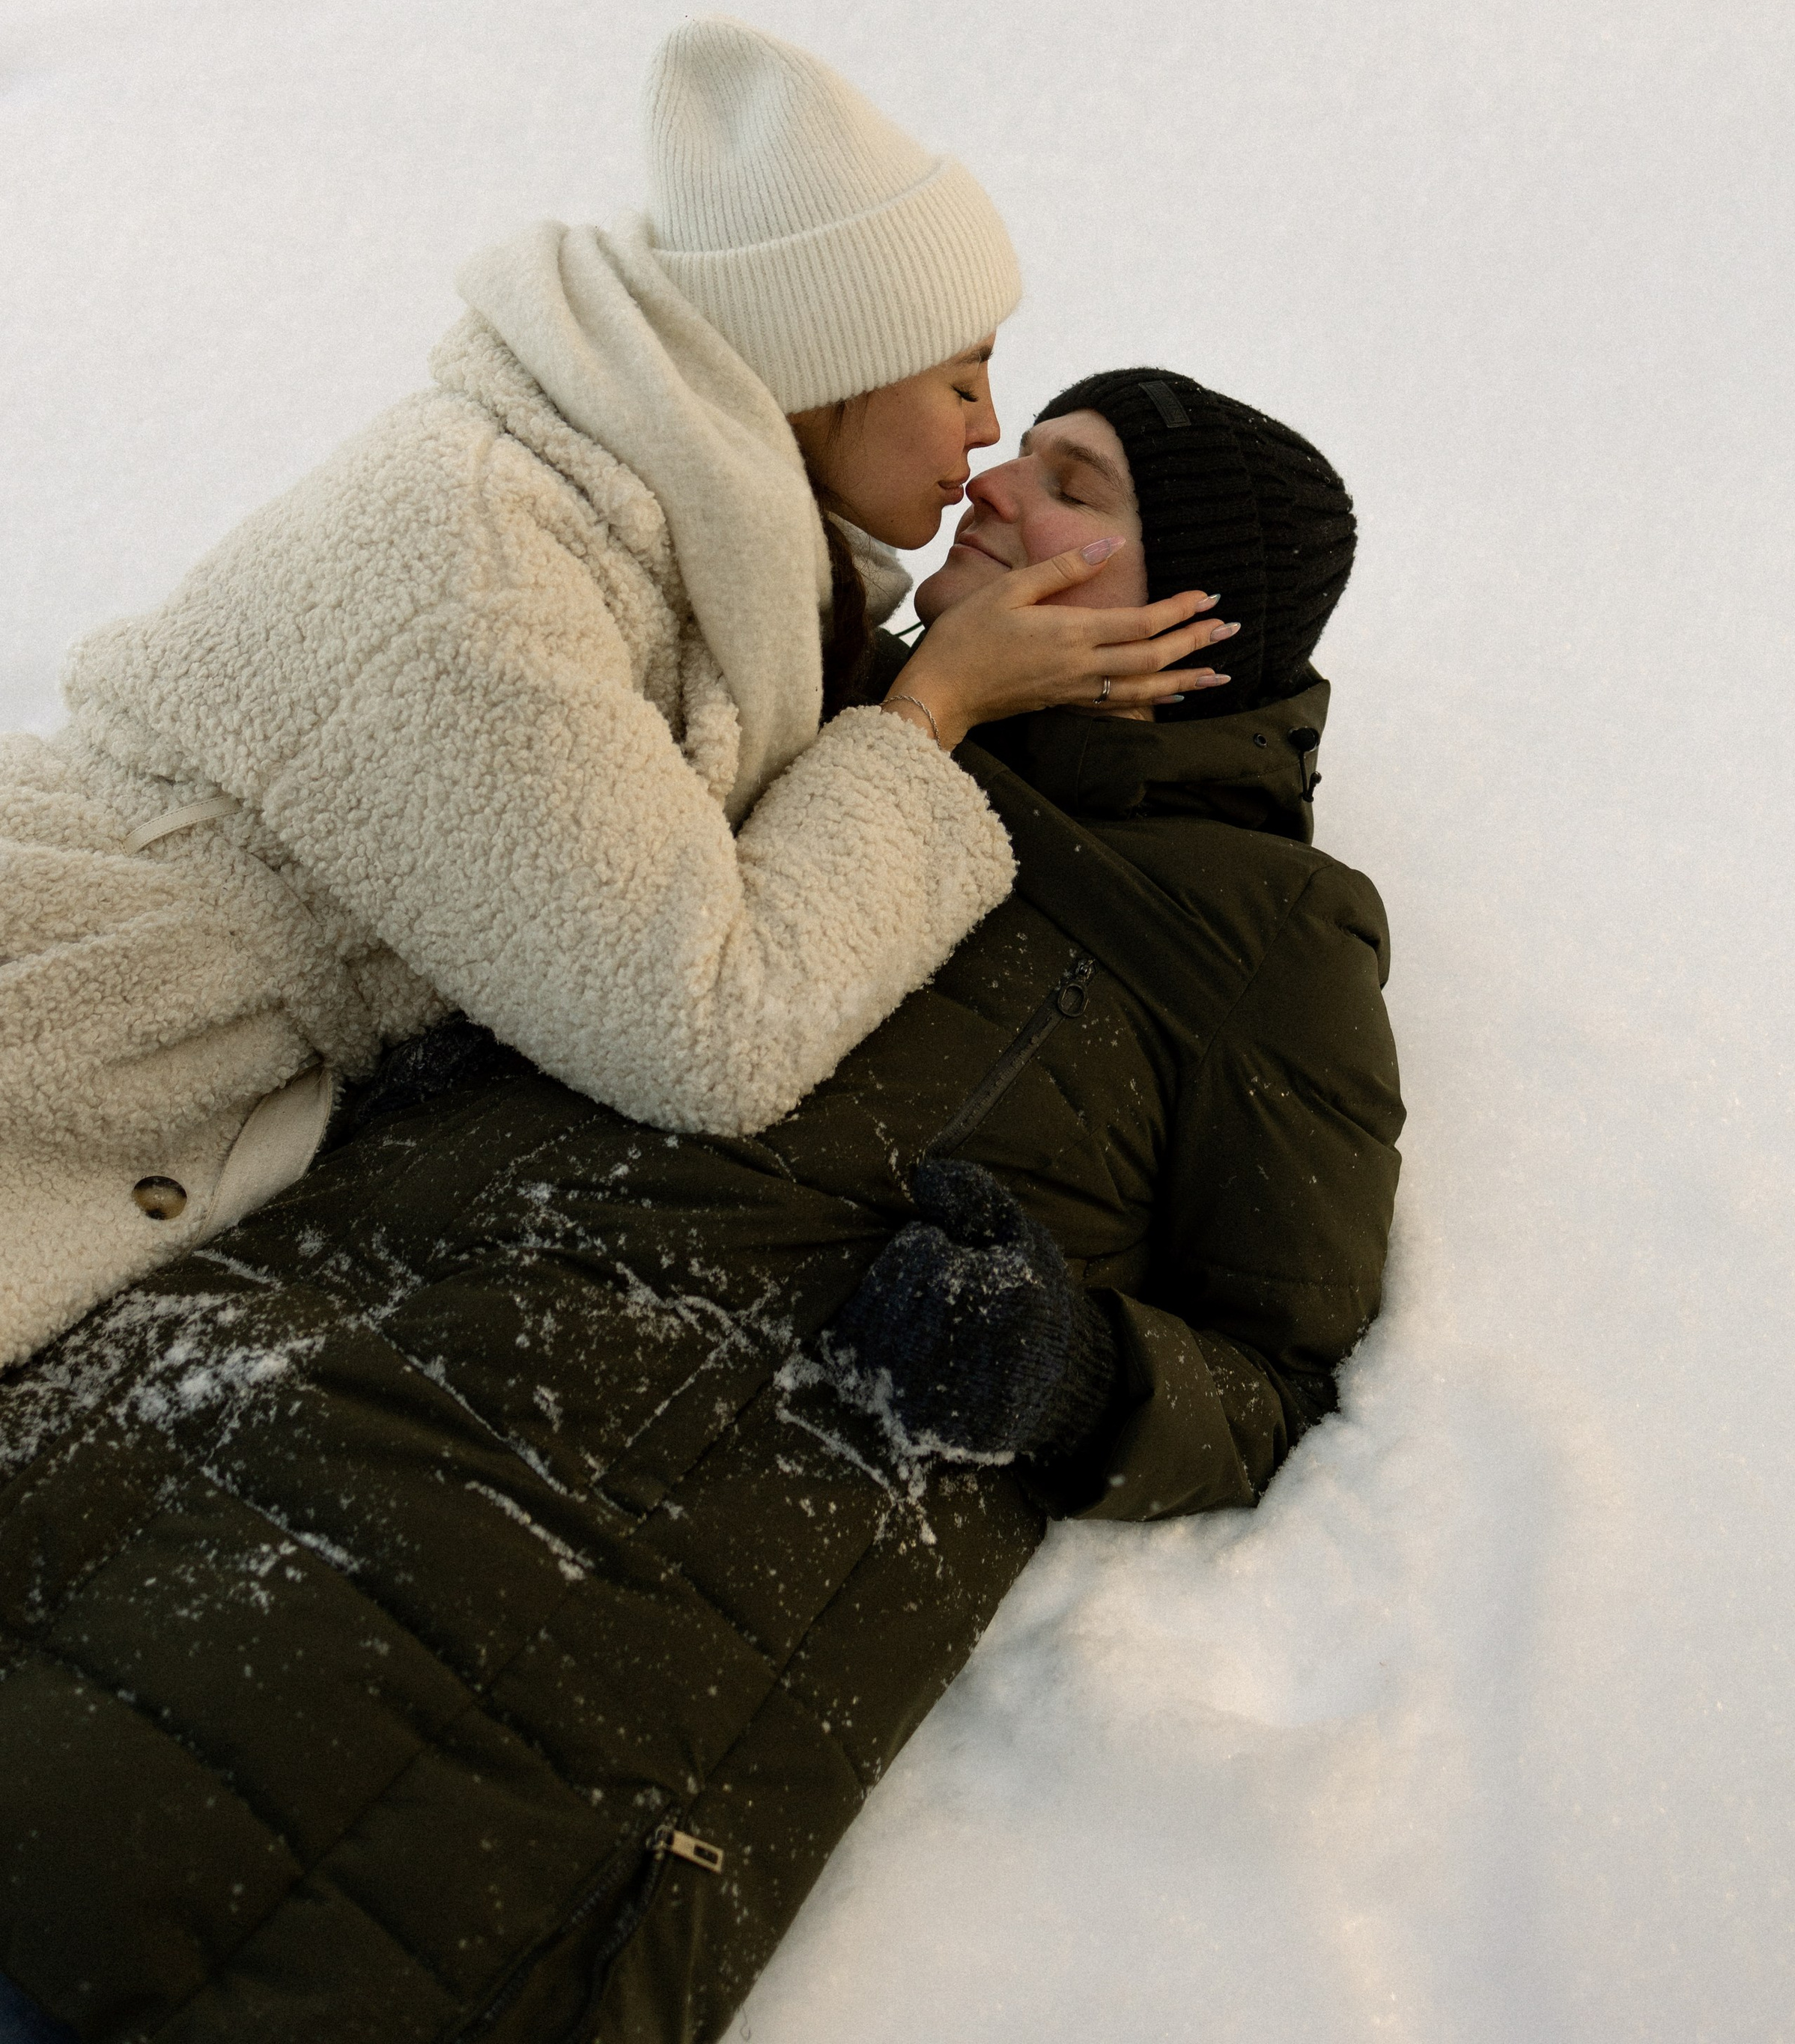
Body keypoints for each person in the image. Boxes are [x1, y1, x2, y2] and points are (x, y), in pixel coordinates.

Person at [0, 368, 1400, 2044]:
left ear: (1197, 613)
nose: (996, 489)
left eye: (1072, 485)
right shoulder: (786, 703)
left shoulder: (1258, 935)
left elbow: (1284, 1366)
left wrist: (1066, 1367)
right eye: (1010, 451)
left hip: (523, 1638)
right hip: (187, 1405)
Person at [0, 23, 1227, 1372]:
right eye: (961, 377)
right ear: (830, 371)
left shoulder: (676, 541)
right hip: (60, 1028)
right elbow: (708, 1027)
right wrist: (931, 713)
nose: (986, 431)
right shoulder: (488, 559)